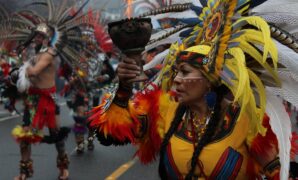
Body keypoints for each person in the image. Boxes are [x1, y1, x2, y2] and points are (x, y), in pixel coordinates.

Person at [89, 0, 297, 179]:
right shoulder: (164, 110)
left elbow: (280, 174)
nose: (176, 80)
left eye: (185, 73)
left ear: (210, 80)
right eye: (177, 72)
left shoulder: (248, 122)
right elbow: (112, 135)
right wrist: (124, 87)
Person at [12, 23, 69, 180]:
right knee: (25, 137)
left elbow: (35, 71)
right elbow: (23, 73)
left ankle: (63, 168)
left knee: (56, 136)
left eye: (41, 36)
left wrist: (21, 70)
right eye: (36, 35)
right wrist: (15, 74)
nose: (37, 38)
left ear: (47, 39)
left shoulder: (49, 54)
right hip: (32, 100)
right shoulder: (32, 54)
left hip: (49, 100)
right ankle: (25, 172)